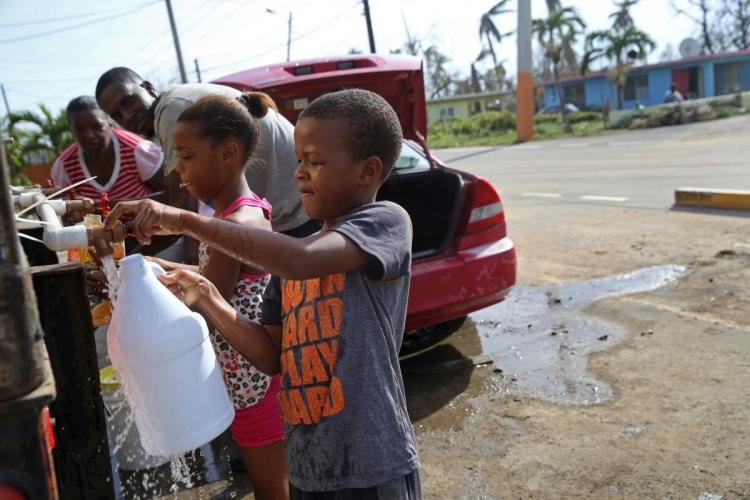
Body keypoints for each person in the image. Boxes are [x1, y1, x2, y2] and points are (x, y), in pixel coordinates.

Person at [105, 89, 422, 499]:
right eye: (300, 159)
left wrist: (183, 221)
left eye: (316, 161)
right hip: (309, 467)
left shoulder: (383, 223)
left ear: (368, 171)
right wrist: (206, 296)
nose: (300, 173)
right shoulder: (289, 262)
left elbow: (300, 260)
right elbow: (272, 356)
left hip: (371, 465)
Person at [145, 93, 289, 500]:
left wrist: (147, 292)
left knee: (270, 487)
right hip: (248, 373)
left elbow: (207, 299)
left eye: (187, 156)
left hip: (253, 379)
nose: (177, 168)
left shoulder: (236, 227)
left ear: (227, 153)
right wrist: (154, 271)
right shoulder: (238, 214)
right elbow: (208, 280)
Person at [94, 67, 313, 237]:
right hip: (294, 208)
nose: (127, 116)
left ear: (148, 87)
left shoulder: (173, 110)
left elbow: (180, 206)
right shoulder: (173, 104)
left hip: (300, 214)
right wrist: (101, 208)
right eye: (117, 115)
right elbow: (178, 202)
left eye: (129, 102)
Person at [51, 96, 163, 200]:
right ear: (71, 131)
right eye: (80, 130)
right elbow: (64, 212)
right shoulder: (64, 167)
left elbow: (170, 194)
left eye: (97, 127)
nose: (89, 135)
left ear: (109, 124)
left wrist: (97, 206)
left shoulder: (137, 149)